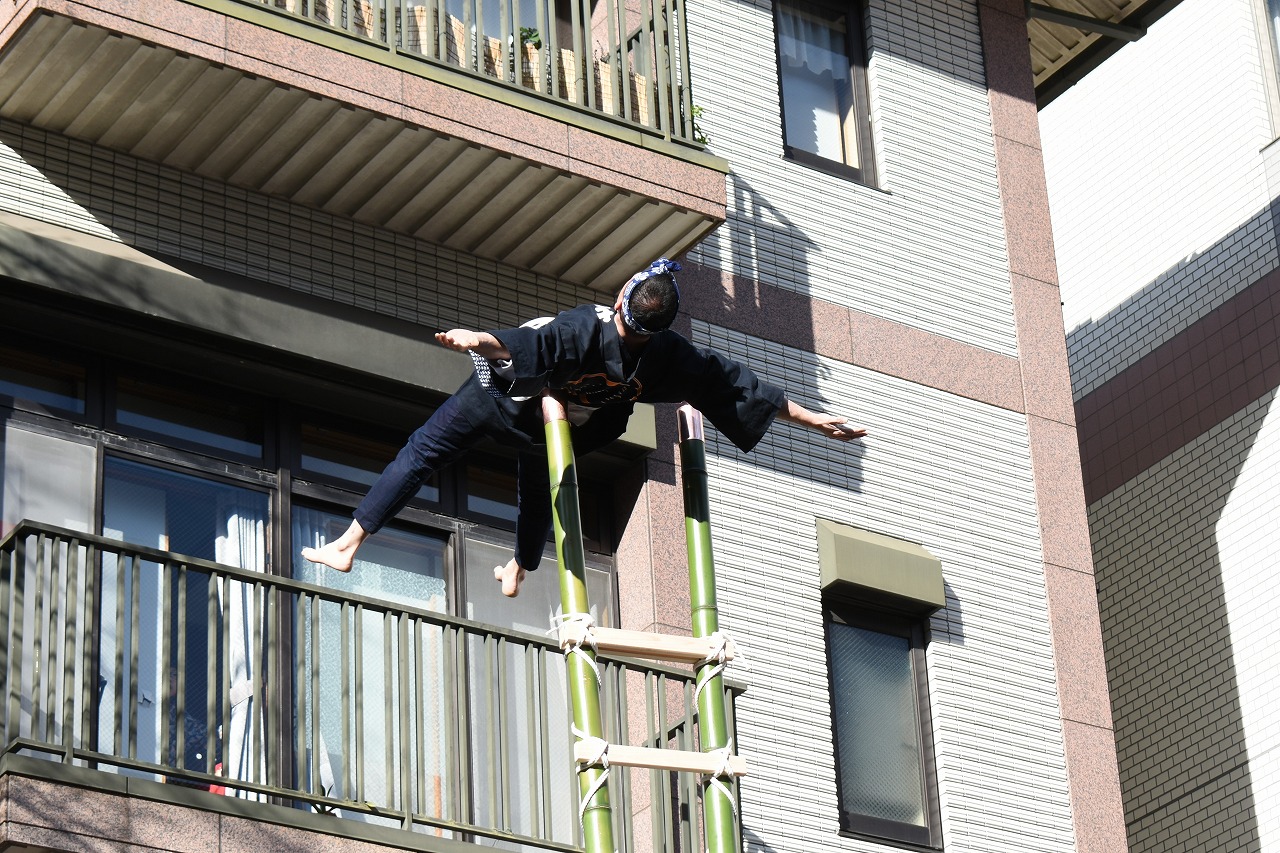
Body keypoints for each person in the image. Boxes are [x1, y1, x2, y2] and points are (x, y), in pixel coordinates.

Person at [302, 259, 865, 596]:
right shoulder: (669, 356)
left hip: (504, 400)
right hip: (553, 426)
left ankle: (350, 544)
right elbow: (735, 384)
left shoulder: (585, 327)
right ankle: (519, 568)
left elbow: (531, 345)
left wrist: (479, 339)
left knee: (423, 451)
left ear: (621, 300)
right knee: (535, 488)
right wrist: (812, 419)